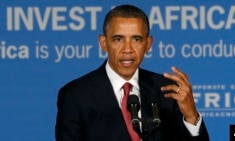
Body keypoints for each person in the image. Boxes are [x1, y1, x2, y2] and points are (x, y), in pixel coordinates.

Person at [55, 4, 209, 141]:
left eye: (136, 39)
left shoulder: (167, 91)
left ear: (148, 44)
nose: (127, 49)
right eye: (118, 39)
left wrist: (191, 116)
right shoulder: (75, 95)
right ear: (103, 43)